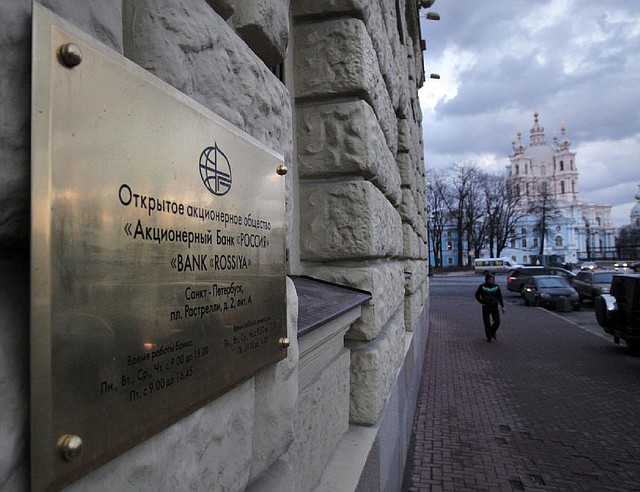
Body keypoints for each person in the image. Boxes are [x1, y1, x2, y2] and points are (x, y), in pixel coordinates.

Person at [474, 272, 505, 342]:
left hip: (494, 306)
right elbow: (477, 295)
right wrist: (481, 302)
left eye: (492, 279)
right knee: (487, 323)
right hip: (486, 307)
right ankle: (489, 337)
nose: (491, 281)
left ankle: (492, 331)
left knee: (497, 321)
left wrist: (502, 306)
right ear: (487, 280)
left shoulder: (496, 286)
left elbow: (499, 297)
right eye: (490, 279)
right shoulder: (482, 286)